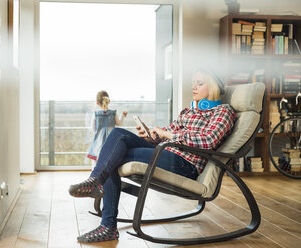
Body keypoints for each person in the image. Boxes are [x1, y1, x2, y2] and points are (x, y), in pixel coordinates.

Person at [69, 69, 237, 243]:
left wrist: (168, 135)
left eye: (200, 83)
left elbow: (208, 141)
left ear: (214, 88)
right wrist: (151, 136)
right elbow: (166, 135)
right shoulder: (187, 112)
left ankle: (106, 222)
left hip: (185, 164)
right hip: (166, 153)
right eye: (193, 82)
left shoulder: (223, 112)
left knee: (112, 157)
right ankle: (97, 187)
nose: (193, 87)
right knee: (118, 134)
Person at [87, 90, 127, 169]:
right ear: (109, 101)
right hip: (111, 141)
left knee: (95, 160)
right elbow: (119, 124)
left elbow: (93, 129)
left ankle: (93, 177)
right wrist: (123, 116)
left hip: (98, 141)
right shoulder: (113, 113)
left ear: (97, 102)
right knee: (110, 159)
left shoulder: (96, 114)